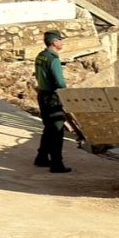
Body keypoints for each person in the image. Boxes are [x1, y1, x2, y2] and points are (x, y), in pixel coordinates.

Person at [34, 30, 72, 173]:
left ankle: (42, 157)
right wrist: (67, 95)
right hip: (52, 98)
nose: (62, 43)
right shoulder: (53, 59)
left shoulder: (41, 56)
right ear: (55, 42)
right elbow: (60, 82)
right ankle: (57, 163)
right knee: (57, 129)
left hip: (42, 95)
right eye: (60, 40)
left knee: (48, 128)